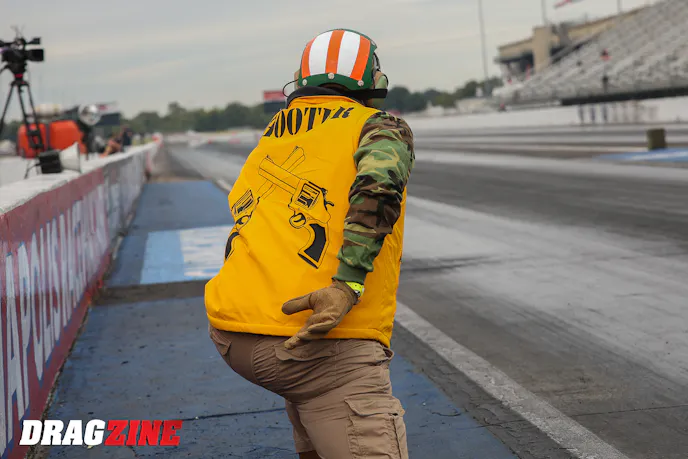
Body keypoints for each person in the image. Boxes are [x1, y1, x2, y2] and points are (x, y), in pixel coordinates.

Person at [205, 28, 414, 459]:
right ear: (372, 82)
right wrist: (347, 284)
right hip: (318, 341)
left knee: (312, 410)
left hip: (232, 329)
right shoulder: (378, 125)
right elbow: (378, 188)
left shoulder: (275, 132)